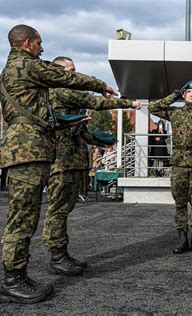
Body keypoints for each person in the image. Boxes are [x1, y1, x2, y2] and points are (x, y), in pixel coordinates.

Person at [0, 24, 118, 304]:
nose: (43, 48)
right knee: (22, 218)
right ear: (27, 43)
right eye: (39, 43)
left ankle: (17, 276)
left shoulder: (15, 69)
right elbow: (65, 78)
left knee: (25, 216)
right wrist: (102, 86)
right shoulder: (25, 66)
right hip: (28, 148)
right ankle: (12, 281)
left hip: (29, 147)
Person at [42, 56, 142, 276]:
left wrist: (97, 140)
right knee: (58, 209)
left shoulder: (67, 92)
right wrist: (128, 103)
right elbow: (95, 102)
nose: (75, 73)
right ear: (59, 71)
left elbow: (79, 129)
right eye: (71, 70)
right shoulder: (60, 90)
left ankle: (62, 254)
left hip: (74, 159)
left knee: (65, 208)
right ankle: (57, 257)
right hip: (62, 162)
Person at [149, 80, 192, 255]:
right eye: (188, 92)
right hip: (179, 162)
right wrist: (173, 95)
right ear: (184, 95)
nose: (191, 94)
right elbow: (153, 108)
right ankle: (182, 239)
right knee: (179, 202)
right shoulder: (175, 112)